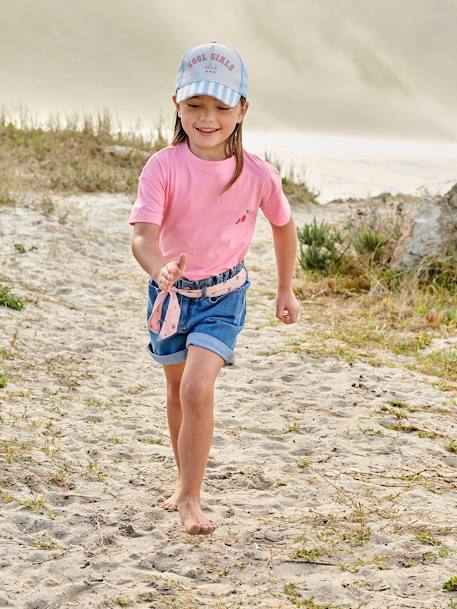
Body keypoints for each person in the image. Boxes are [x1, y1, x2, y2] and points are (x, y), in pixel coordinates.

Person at [129, 41, 300, 536]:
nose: (208, 118)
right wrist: (159, 267)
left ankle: (192, 496)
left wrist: (285, 289)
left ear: (243, 109)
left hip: (224, 295)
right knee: (177, 391)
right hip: (171, 296)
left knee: (198, 387)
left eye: (222, 107)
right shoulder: (162, 166)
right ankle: (183, 480)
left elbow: (284, 226)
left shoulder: (258, 174)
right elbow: (142, 234)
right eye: (195, 105)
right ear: (176, 104)